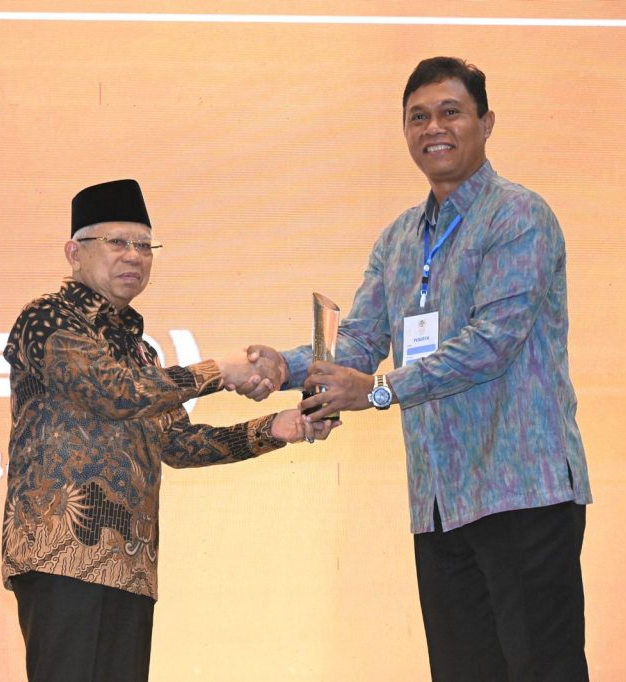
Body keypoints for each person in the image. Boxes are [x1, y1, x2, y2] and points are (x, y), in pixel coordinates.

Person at [239, 57, 593, 680]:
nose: (434, 128)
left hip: (522, 491)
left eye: (451, 112)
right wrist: (287, 367)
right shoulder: (399, 239)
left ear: (486, 122)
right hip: (439, 503)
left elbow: (491, 344)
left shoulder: (518, 216)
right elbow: (361, 339)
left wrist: (378, 390)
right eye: (418, 117)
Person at [1, 178, 337, 682]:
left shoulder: (143, 352)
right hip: (61, 553)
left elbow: (179, 446)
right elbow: (113, 393)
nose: (134, 256)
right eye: (117, 242)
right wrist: (217, 370)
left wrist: (277, 427)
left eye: (144, 246)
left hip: (130, 565)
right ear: (74, 253)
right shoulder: (48, 317)